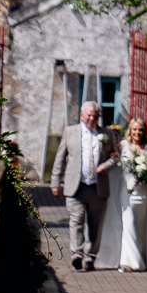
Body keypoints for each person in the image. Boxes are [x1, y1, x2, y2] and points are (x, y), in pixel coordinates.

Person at [49, 100, 114, 271]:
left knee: (95, 225)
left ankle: (90, 256)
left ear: (99, 117)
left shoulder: (106, 134)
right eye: (89, 115)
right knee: (76, 220)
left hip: (98, 187)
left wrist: (105, 166)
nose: (91, 119)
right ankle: (77, 254)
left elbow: (116, 157)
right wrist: (55, 181)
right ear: (81, 115)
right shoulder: (70, 132)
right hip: (76, 186)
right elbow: (60, 158)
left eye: (95, 116)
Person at [98, 118, 147, 272]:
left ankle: (140, 258)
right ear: (130, 131)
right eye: (134, 129)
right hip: (127, 192)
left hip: (144, 192)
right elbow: (112, 158)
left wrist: (146, 174)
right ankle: (129, 263)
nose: (137, 132)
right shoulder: (123, 145)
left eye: (140, 129)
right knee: (129, 224)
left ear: (144, 131)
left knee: (140, 226)